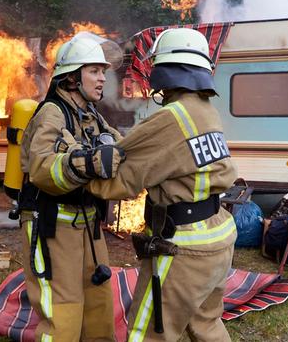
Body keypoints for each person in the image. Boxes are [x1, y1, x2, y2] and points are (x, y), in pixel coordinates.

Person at [86, 28, 237, 341]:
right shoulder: (206, 112)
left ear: (163, 72)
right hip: (219, 235)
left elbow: (123, 181)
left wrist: (79, 178)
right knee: (207, 325)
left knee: (148, 332)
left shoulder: (171, 117)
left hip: (183, 248)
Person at [19, 33, 125, 342]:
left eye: (103, 71)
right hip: (52, 222)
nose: (102, 78)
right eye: (94, 70)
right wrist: (88, 163)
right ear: (71, 77)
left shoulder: (90, 113)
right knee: (63, 309)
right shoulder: (52, 112)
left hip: (87, 222)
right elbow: (41, 168)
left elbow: (117, 144)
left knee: (98, 300)